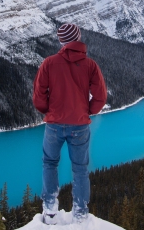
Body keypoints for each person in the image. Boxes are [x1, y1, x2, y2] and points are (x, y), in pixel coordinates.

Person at [32, 23, 107, 224]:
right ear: (78, 38)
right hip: (79, 126)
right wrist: (88, 110)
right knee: (80, 168)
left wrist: (48, 110)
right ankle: (80, 214)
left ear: (61, 41)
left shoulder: (49, 63)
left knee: (49, 163)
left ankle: (50, 211)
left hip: (54, 124)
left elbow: (39, 94)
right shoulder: (90, 65)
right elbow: (100, 95)